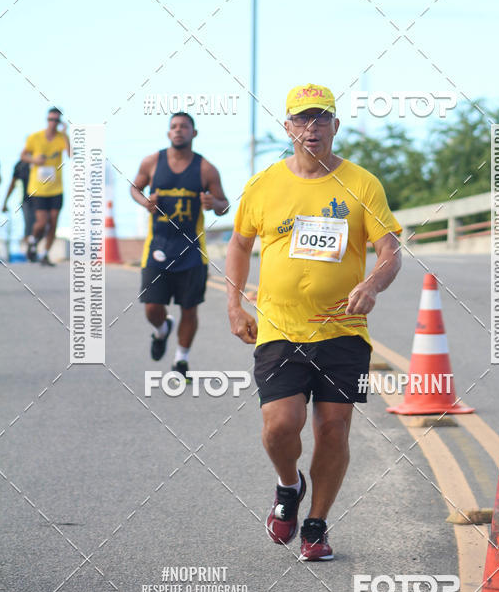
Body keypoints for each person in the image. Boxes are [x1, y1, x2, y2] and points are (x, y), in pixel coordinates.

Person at [226, 84, 402, 561]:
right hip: (281, 328)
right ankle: (288, 487)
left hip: (344, 331)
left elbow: (390, 250)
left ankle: (317, 525)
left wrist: (372, 285)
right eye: (302, 120)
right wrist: (235, 304)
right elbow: (239, 245)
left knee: (333, 429)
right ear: (287, 127)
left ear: (336, 126)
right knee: (281, 424)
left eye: (321, 118)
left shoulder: (361, 183)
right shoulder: (263, 185)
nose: (312, 128)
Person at [131, 112, 229, 377]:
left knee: (189, 308)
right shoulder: (152, 162)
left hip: (192, 253)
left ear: (193, 133)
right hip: (157, 249)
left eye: (184, 127)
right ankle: (162, 329)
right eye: (173, 127)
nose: (178, 131)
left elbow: (224, 205)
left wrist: (213, 204)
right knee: (152, 307)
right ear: (168, 133)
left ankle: (180, 361)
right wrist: (145, 202)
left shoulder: (206, 168)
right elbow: (135, 188)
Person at [21, 107, 70, 265]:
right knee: (42, 222)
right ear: (47, 120)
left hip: (56, 188)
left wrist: (65, 134)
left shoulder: (61, 138)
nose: (53, 123)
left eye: (56, 120)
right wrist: (35, 160)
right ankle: (33, 240)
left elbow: (71, 154)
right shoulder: (35, 138)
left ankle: (45, 254)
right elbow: (23, 155)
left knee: (54, 222)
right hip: (38, 188)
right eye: (51, 120)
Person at [2, 158, 35, 249]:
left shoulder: (43, 161)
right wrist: (5, 202)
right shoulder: (20, 165)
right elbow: (12, 184)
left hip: (43, 198)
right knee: (29, 226)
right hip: (26, 200)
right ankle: (31, 249)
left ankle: (33, 247)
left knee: (43, 224)